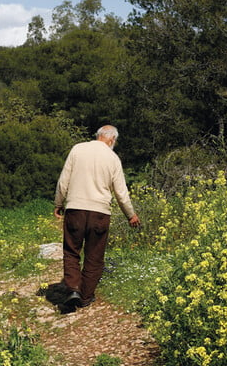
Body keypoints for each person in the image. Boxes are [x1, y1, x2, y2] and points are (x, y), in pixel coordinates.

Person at [54, 125, 140, 313]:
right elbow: (121, 192)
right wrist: (130, 214)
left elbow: (63, 181)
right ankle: (85, 297)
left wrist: (58, 203)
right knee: (94, 255)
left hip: (75, 209)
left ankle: (73, 289)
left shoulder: (77, 149)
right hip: (100, 213)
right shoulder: (113, 158)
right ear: (112, 140)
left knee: (71, 251)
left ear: (98, 136)